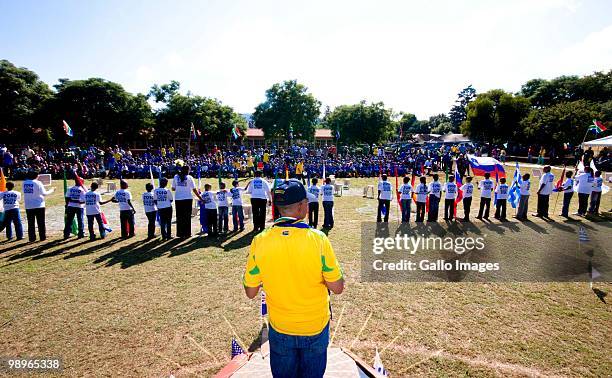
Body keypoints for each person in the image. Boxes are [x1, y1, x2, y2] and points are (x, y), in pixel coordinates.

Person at [242, 179, 344, 378]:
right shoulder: (319, 239)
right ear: (301, 206)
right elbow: (338, 287)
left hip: (280, 327)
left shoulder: (260, 240)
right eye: (306, 201)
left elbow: (250, 291)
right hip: (315, 326)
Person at [22, 169, 55, 242]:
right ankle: (42, 237)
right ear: (36, 176)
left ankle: (32, 238)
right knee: (41, 222)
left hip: (29, 205)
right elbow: (44, 193)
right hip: (39, 205)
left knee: (30, 223)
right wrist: (52, 190)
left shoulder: (24, 183)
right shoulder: (38, 183)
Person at [172, 165, 203, 238]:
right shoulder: (190, 177)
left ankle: (180, 233)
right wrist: (200, 198)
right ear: (188, 170)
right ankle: (187, 233)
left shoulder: (176, 176)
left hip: (178, 198)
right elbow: (194, 189)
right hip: (187, 198)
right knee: (187, 216)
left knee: (179, 216)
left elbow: (173, 188)